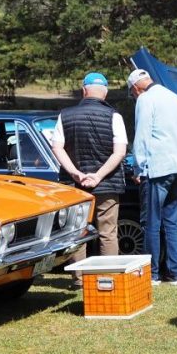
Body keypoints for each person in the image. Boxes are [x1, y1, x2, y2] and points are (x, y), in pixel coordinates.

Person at [50, 73, 128, 278]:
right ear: (105, 93)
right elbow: (119, 152)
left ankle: (80, 278)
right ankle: (108, 277)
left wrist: (75, 173)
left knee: (77, 231)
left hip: (74, 185)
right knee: (108, 232)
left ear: (84, 91)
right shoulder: (115, 116)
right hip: (108, 184)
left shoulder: (65, 115)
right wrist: (99, 176)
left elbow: (56, 147)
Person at [128, 68, 177, 286]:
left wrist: (138, 167)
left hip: (158, 168)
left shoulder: (145, 99)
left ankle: (153, 274)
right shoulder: (176, 98)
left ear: (136, 88)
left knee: (151, 222)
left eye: (132, 93)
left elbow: (142, 135)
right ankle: (176, 273)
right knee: (172, 222)